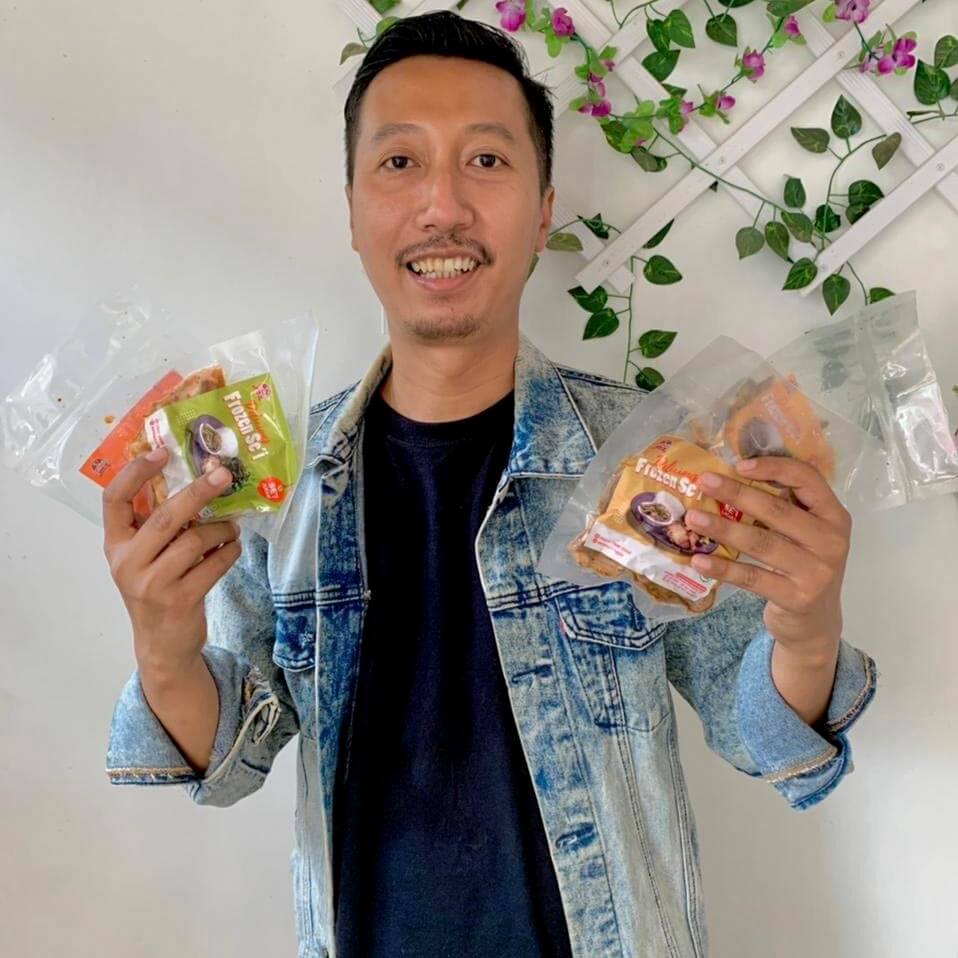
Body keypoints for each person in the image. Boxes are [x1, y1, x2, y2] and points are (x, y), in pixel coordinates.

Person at [102, 11, 878, 958]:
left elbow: (763, 733)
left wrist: (808, 625)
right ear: (351, 209)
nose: (443, 206)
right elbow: (230, 757)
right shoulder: (279, 480)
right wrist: (163, 644)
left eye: (486, 160)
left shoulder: (648, 457)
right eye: (399, 162)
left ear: (544, 208)